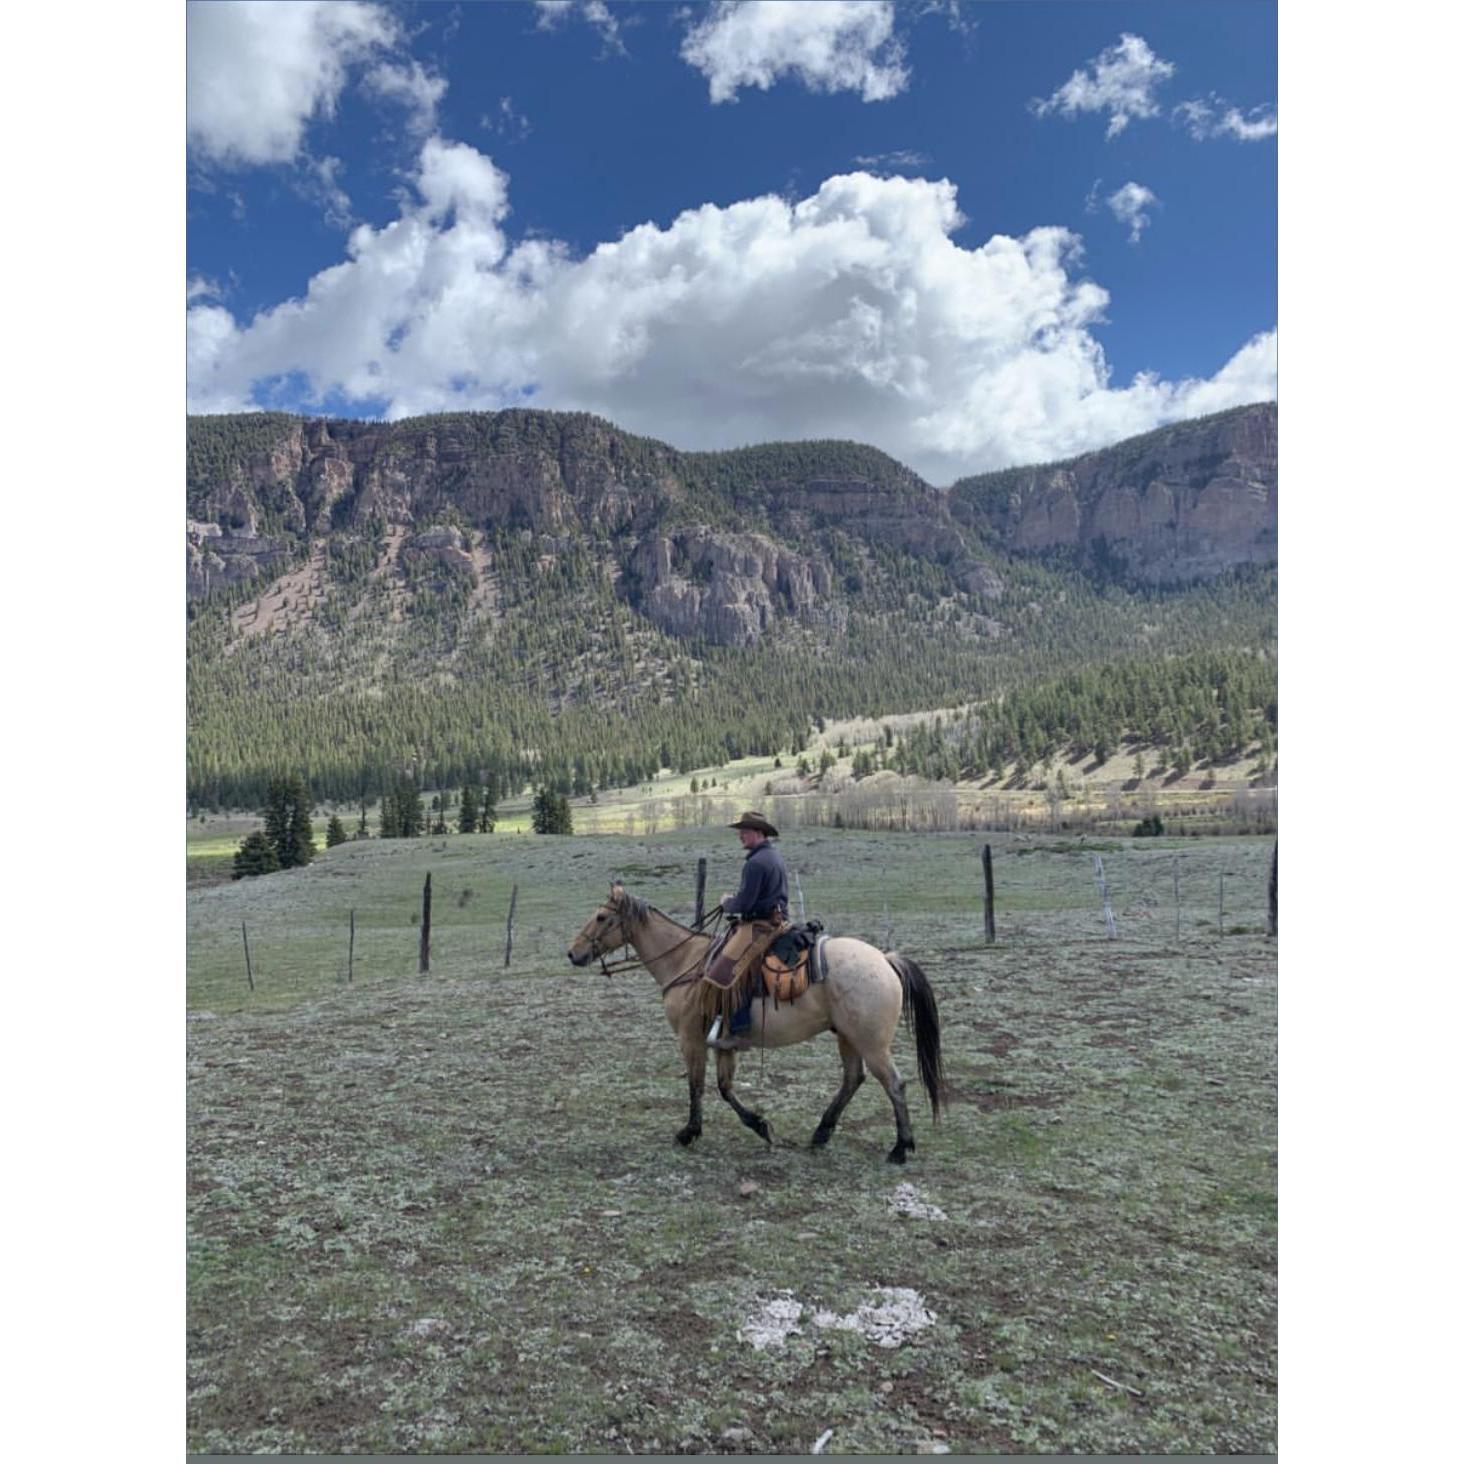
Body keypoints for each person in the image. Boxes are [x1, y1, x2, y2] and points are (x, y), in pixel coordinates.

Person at [703, 811, 789, 1048]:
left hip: (759, 926)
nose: (740, 836)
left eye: (745, 831)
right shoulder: (773, 856)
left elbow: (745, 904)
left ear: (759, 832)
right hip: (776, 921)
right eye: (740, 831)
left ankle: (737, 1030)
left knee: (726, 970)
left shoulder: (756, 863)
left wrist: (727, 903)